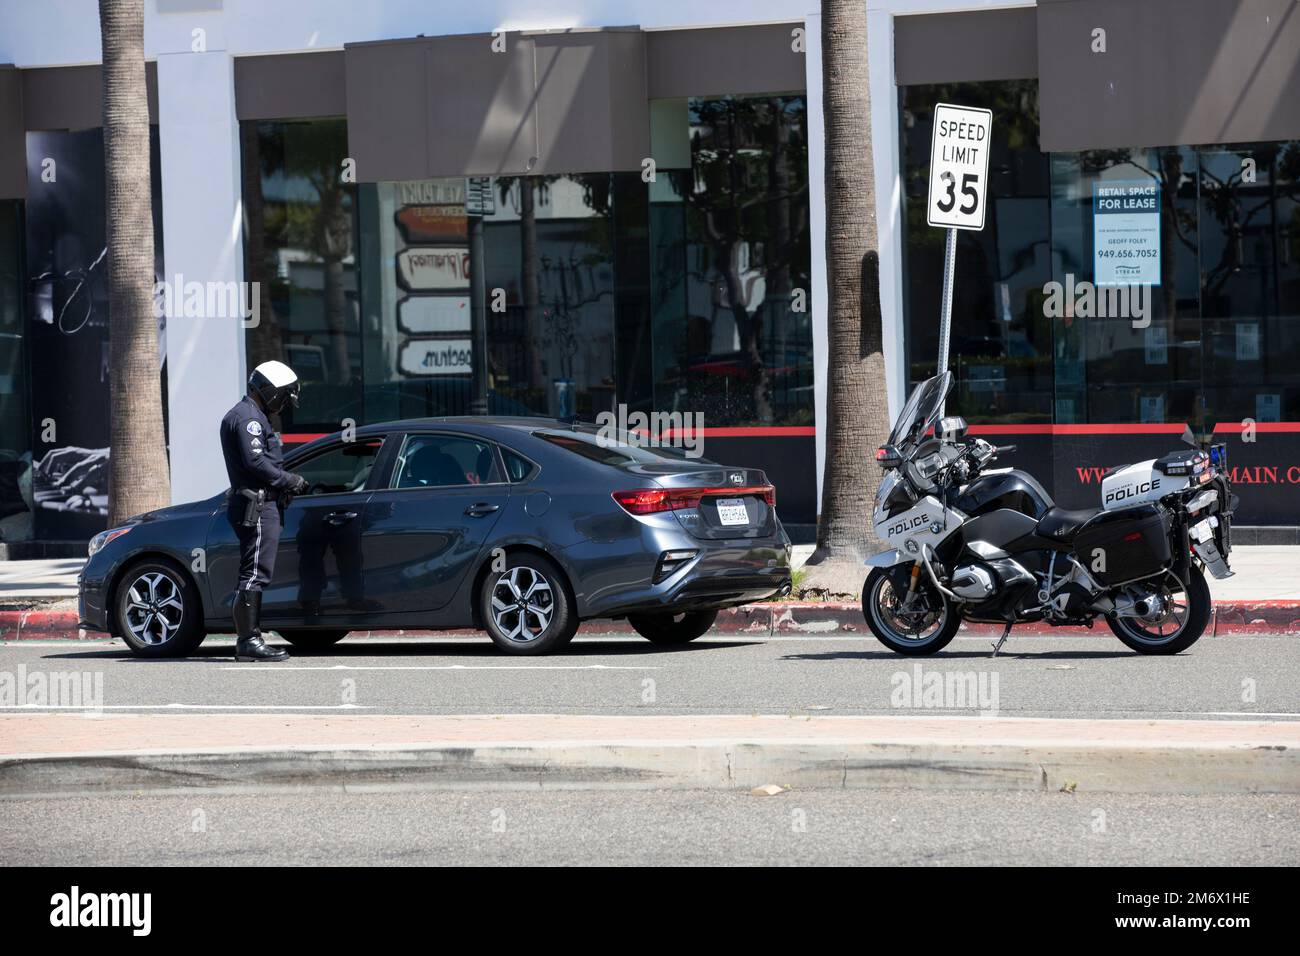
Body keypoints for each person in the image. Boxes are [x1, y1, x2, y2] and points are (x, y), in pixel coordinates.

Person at [219, 360, 309, 662]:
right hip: (257, 505)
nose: (285, 404)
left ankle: (250, 638)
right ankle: (248, 641)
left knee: (256, 571)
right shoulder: (249, 419)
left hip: (259, 503)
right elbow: (255, 463)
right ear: (270, 392)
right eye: (283, 396)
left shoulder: (250, 415)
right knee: (254, 572)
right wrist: (290, 480)